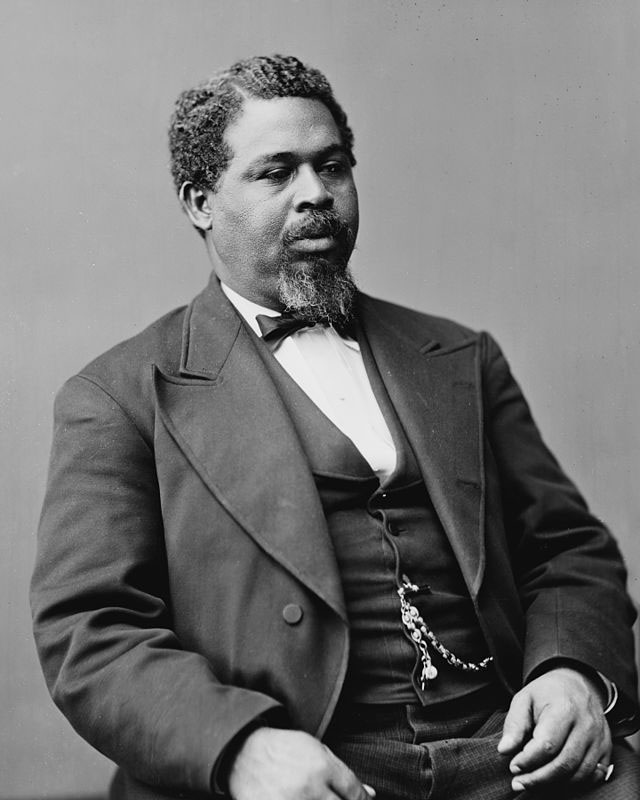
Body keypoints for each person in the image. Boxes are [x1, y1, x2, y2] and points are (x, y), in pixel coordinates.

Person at [32, 54, 640, 800]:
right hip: (309, 763)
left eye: (333, 167)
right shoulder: (121, 395)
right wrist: (240, 748)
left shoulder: (459, 356)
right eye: (276, 173)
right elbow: (92, 631)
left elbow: (567, 547)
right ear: (200, 202)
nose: (316, 194)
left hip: (508, 748)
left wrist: (571, 671)